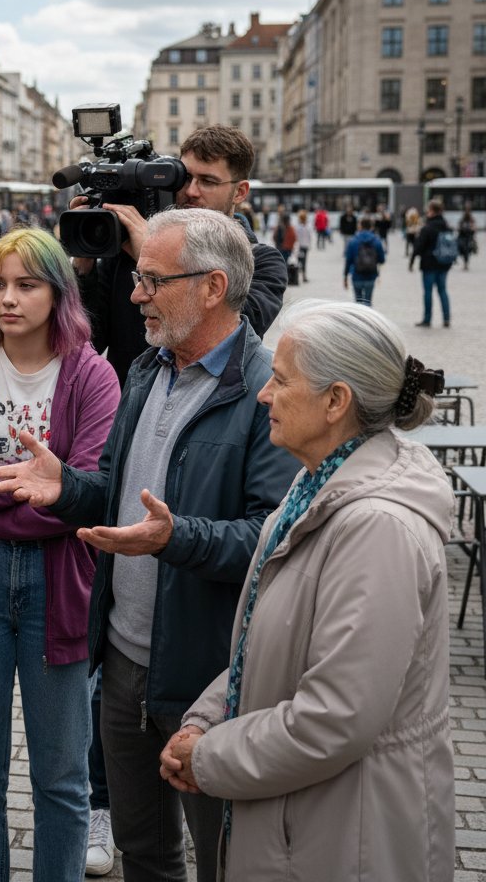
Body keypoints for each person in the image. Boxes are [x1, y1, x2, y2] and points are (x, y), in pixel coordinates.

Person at [0, 209, 299, 882]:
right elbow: (118, 492)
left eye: (152, 280)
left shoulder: (266, 389)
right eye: (136, 277)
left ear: (213, 287)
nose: (134, 295)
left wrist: (174, 538)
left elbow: (274, 542)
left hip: (212, 678)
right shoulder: (146, 370)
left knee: (224, 857)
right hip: (123, 665)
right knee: (144, 852)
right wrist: (67, 486)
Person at [159, 299, 453, 882]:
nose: (264, 394)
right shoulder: (314, 485)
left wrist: (211, 757)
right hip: (299, 817)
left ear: (336, 401)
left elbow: (335, 718)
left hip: (346, 836)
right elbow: (262, 641)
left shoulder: (376, 529)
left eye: (281, 380)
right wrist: (204, 718)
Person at [0, 228, 120, 881]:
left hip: (58, 585)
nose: (9, 299)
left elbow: (85, 492)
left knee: (61, 777)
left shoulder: (91, 376)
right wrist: (30, 492)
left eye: (26, 284)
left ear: (58, 291)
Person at [74, 123, 287, 386]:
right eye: (185, 177)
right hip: (128, 409)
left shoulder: (263, 262)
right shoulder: (124, 251)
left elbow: (237, 334)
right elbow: (88, 341)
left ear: (240, 192)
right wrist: (83, 265)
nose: (191, 191)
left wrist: (152, 255)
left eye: (208, 181)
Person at [410, 198, 454, 327]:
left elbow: (419, 247)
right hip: (444, 263)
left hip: (429, 264)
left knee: (428, 291)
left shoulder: (427, 228)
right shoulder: (447, 226)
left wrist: (412, 261)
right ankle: (446, 319)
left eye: (428, 210)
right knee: (443, 290)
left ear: (432, 211)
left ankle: (427, 319)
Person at [343, 215, 386, 306]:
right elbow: (382, 260)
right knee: (368, 301)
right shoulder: (376, 241)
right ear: (371, 226)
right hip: (371, 275)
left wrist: (345, 277)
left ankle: (358, 319)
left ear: (360, 226)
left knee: (358, 303)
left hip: (356, 275)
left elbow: (348, 260)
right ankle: (367, 318)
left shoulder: (353, 241)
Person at [294, 208, 312, 282]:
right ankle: (303, 276)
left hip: (299, 246)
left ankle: (299, 275)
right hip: (304, 246)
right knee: (303, 261)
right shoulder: (307, 226)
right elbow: (310, 236)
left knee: (299, 261)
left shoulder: (298, 226)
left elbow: (296, 237)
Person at [458, 202, 477, 270]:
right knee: (463, 250)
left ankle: (466, 264)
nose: (467, 210)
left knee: (466, 251)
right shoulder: (463, 217)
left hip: (468, 237)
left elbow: (474, 228)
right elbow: (459, 227)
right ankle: (465, 263)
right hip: (463, 236)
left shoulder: (471, 218)